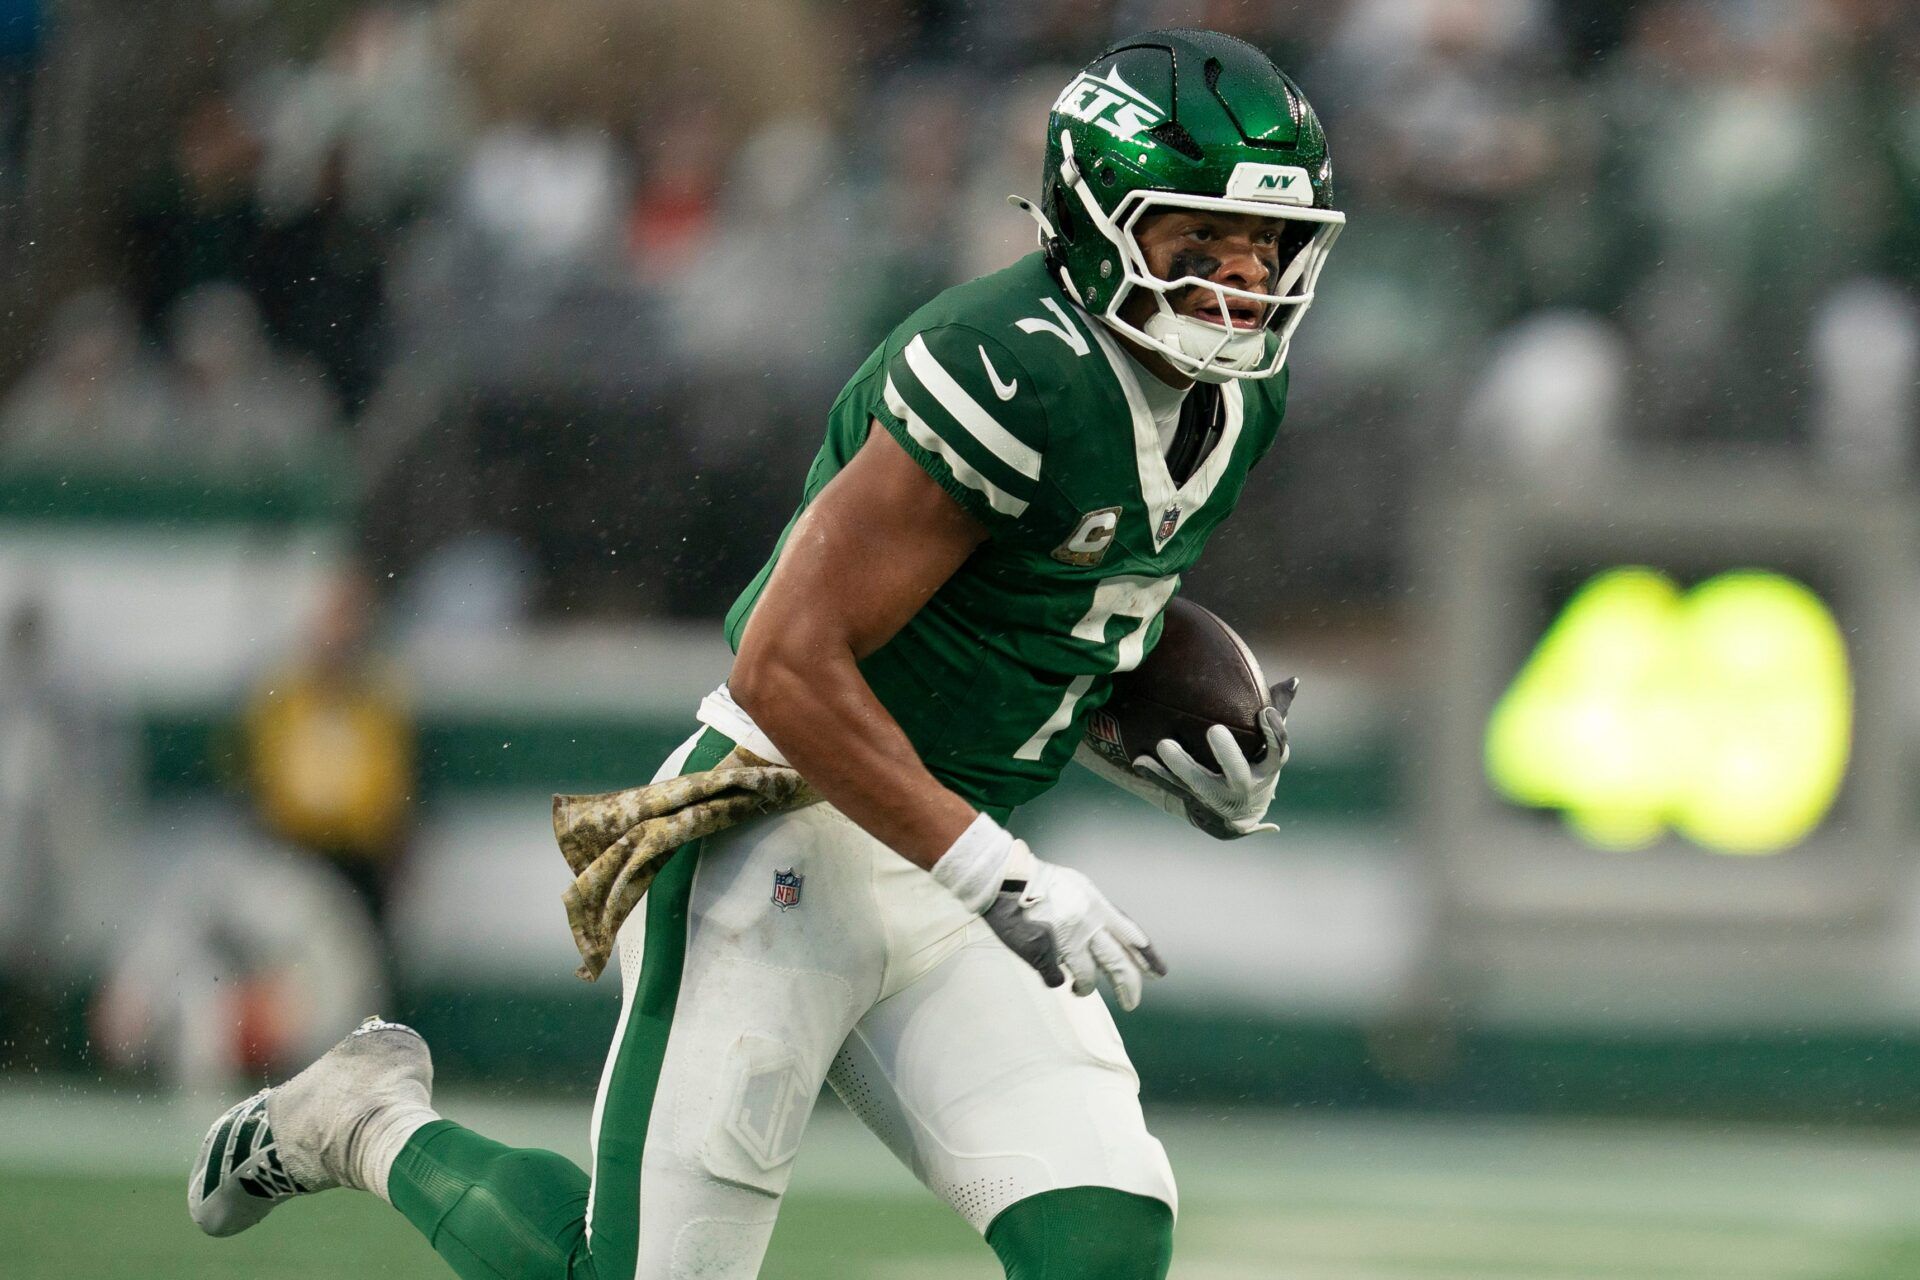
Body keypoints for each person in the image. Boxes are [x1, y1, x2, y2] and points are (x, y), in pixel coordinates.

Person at [187, 29, 1344, 1280]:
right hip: (781, 846)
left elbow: (1050, 606)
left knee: (1103, 1243)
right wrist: (998, 872)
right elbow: (783, 667)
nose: (1240, 281)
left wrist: (1173, 743)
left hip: (950, 859)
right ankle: (359, 1117)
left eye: (1263, 244)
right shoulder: (1009, 369)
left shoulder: (1242, 394)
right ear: (1097, 219)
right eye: (1200, 240)